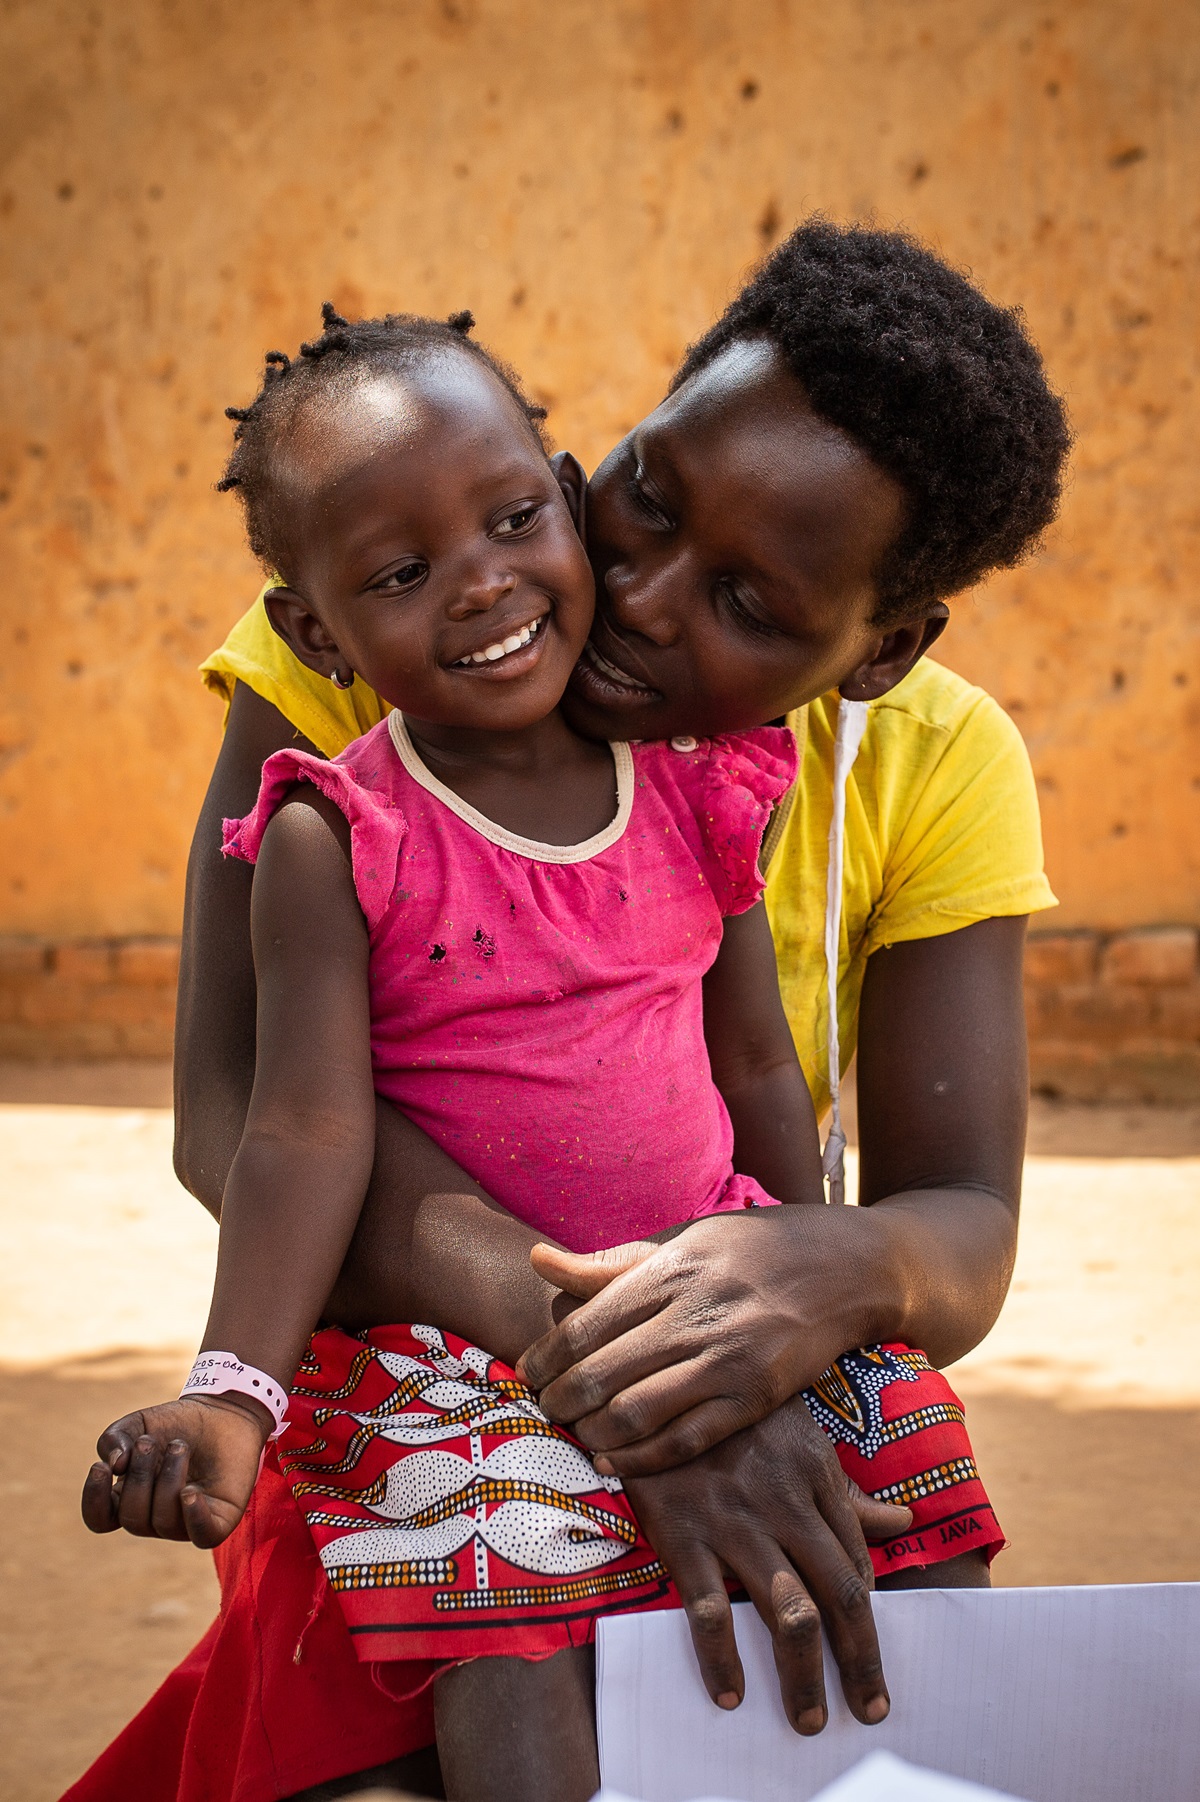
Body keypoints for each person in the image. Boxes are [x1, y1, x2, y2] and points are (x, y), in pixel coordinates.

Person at [68, 220, 1067, 1802]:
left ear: (876, 649)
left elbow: (949, 1216)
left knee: (890, 1614)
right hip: (439, 1377)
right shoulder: (389, 633)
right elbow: (245, 1113)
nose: (643, 598)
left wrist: (811, 1283)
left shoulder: (889, 771)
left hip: (728, 1331)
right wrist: (632, 1386)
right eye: (645, 501)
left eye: (745, 597)